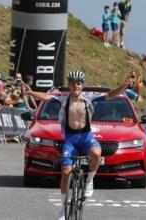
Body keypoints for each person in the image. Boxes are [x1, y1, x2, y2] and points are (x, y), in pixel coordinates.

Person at [24, 70, 133, 220]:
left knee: (96, 153)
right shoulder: (63, 99)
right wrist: (32, 93)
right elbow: (46, 97)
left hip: (86, 137)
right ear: (69, 85)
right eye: (73, 83)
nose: (76, 86)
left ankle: (89, 181)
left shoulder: (90, 98)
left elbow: (111, 95)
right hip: (71, 140)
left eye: (79, 83)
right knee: (66, 172)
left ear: (83, 85)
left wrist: (123, 86)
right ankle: (63, 209)